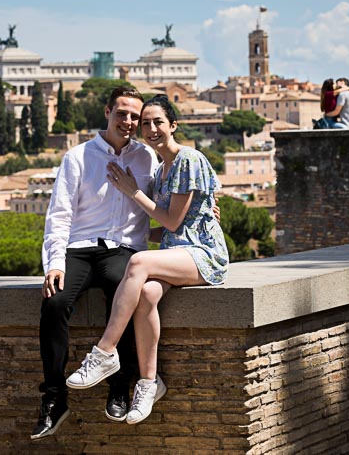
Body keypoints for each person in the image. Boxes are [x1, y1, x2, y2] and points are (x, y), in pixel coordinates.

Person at [65, 95, 228, 425]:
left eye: (158, 122)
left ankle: (104, 353)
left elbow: (170, 222)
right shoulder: (161, 169)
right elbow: (168, 227)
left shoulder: (188, 159)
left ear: (173, 126)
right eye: (146, 123)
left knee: (137, 263)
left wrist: (131, 190)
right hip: (175, 251)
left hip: (202, 253)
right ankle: (149, 383)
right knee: (149, 294)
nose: (151, 129)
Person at [31, 86, 159, 440]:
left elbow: (170, 201)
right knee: (54, 303)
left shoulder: (147, 159)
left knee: (123, 291)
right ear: (107, 112)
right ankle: (55, 399)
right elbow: (59, 214)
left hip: (124, 250)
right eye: (123, 114)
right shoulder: (77, 157)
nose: (129, 122)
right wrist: (54, 263)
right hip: (79, 249)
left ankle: (119, 386)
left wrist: (203, 212)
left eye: (135, 116)